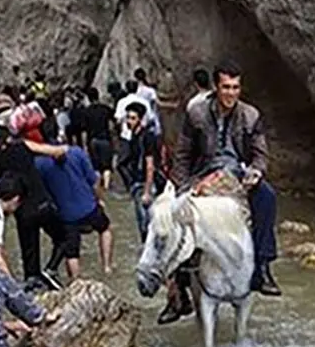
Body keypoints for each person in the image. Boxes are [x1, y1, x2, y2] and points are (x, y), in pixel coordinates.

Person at [173, 60, 281, 296]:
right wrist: (182, 187)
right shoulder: (196, 113)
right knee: (175, 214)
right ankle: (179, 287)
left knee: (267, 197)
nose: (231, 93)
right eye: (226, 87)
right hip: (202, 174)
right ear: (216, 87)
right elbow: (182, 153)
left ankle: (262, 267)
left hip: (238, 173)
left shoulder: (250, 115)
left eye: (235, 87)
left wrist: (256, 172)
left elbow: (260, 154)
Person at [0, 117, 65, 290]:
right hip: (41, 202)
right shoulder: (21, 146)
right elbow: (53, 151)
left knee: (29, 252)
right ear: (8, 138)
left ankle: (32, 285)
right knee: (64, 238)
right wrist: (66, 150)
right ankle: (51, 268)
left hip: (21, 209)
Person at [32, 144, 113, 277]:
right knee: (105, 229)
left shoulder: (39, 164)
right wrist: (100, 199)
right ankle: (107, 267)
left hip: (66, 215)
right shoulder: (77, 153)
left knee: (72, 253)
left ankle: (76, 283)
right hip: (89, 206)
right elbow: (94, 181)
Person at [117, 102, 159, 243]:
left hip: (144, 183)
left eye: (133, 118)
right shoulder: (134, 135)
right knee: (143, 223)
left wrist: (147, 190)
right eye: (128, 118)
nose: (129, 121)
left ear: (140, 119)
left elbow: (150, 165)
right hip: (137, 182)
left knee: (147, 224)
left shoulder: (146, 137)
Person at [80, 88, 115, 190]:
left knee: (96, 166)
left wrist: (84, 145)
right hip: (105, 139)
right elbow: (112, 124)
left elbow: (84, 131)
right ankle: (107, 187)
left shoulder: (86, 112)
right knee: (107, 166)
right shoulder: (105, 109)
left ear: (88, 98)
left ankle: (98, 186)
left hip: (93, 140)